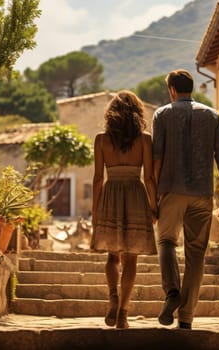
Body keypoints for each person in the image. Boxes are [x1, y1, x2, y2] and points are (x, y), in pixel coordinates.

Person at [152, 69, 219, 330]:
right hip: (201, 193)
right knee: (196, 254)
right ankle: (186, 318)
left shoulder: (162, 114)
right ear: (190, 88)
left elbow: (157, 157)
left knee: (165, 241)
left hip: (170, 190)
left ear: (172, 90)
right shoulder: (212, 116)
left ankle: (172, 292)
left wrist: (152, 194)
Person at [90, 90, 158, 329]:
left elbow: (98, 178)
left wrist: (95, 211)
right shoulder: (145, 139)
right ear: (137, 113)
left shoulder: (101, 139)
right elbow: (149, 177)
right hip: (135, 195)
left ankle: (113, 297)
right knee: (131, 258)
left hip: (110, 195)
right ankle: (123, 314)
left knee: (112, 255)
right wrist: (154, 206)